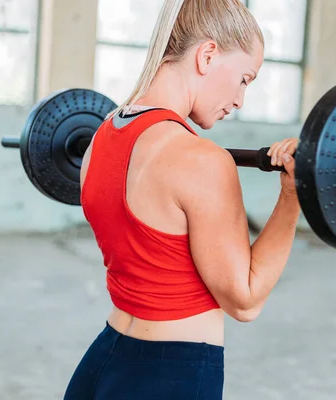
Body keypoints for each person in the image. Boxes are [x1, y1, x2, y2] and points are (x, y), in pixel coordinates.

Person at [63, 1, 300, 399]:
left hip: (102, 364)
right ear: (207, 55)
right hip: (171, 375)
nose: (241, 99)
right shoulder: (202, 160)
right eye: (244, 78)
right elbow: (245, 301)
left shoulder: (99, 140)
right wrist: (293, 196)